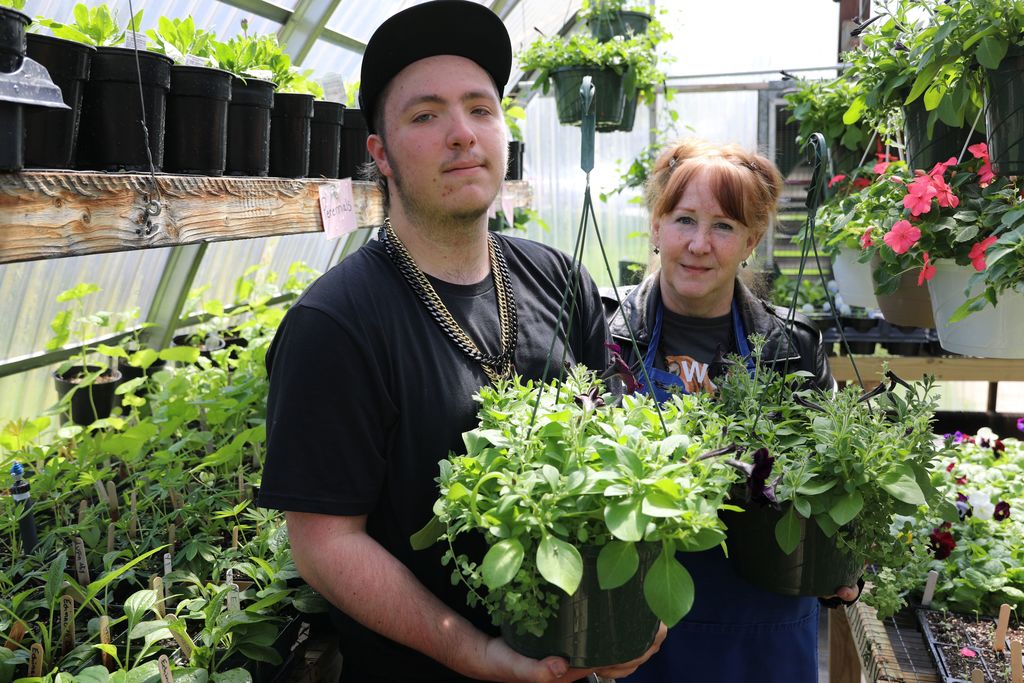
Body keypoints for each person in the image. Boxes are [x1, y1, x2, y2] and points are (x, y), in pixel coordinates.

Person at [257, 2, 665, 681]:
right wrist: (476, 654)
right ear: (381, 155)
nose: (461, 134)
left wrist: (620, 614)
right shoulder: (337, 323)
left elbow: (616, 457)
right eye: (426, 116)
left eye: (480, 109)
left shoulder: (558, 278)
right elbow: (326, 544)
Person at [604, 139, 858, 682]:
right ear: (655, 226)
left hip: (764, 628)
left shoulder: (792, 345)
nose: (699, 244)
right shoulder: (606, 332)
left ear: (751, 240)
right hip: (642, 630)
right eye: (684, 219)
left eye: (723, 226)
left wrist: (848, 565)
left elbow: (837, 481)